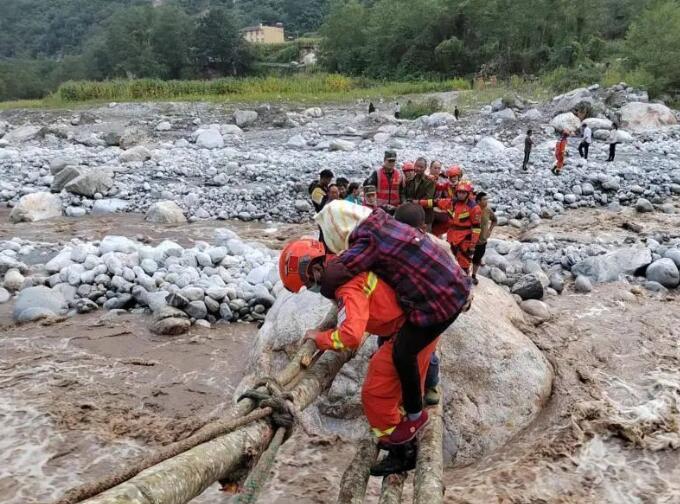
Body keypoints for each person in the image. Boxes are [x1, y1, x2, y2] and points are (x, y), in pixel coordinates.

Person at [313, 200, 472, 445]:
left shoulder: (367, 240)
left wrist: (322, 284)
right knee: (415, 350)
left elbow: (338, 272)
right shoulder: (381, 220)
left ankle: (414, 418)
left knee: (403, 354)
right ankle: (427, 391)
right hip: (449, 288)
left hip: (440, 302)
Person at [278, 237, 440, 475]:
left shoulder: (347, 285)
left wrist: (320, 338)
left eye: (306, 283)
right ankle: (407, 419)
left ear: (314, 268)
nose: (309, 288)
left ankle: (402, 451)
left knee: (374, 394)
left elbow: (351, 336)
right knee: (402, 379)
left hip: (408, 328)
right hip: (418, 320)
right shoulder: (346, 262)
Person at [419, 180, 481, 274]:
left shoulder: (474, 208)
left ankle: (463, 281)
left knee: (464, 262)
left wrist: (472, 245)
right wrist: (418, 202)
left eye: (463, 192)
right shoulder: (452, 202)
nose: (461, 194)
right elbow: (435, 202)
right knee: (449, 259)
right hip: (451, 235)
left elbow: (476, 228)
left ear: (468, 193)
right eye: (459, 192)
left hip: (464, 238)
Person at [471, 192, 497, 285]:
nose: (487, 201)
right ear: (478, 201)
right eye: (484, 199)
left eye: (487, 199)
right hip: (470, 239)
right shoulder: (472, 209)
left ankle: (473, 275)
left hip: (482, 240)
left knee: (477, 259)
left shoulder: (488, 210)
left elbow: (494, 220)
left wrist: (490, 230)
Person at [402, 157, 436, 228]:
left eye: (421, 167)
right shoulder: (410, 180)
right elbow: (403, 193)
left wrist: (413, 203)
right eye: (417, 166)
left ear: (425, 168)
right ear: (414, 166)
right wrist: (404, 202)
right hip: (412, 216)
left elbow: (428, 197)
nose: (418, 169)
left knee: (426, 237)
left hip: (425, 217)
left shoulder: (430, 181)